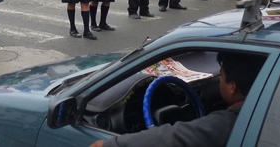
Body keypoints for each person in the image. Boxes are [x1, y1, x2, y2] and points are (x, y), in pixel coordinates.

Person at [91, 52, 266, 147]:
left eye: (221, 76)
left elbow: (172, 137)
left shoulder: (232, 122)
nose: (218, 80)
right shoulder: (267, 108)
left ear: (232, 86)